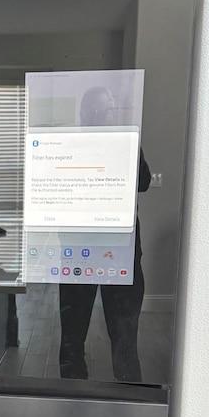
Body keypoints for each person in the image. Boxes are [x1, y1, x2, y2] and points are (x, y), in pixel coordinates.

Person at [59, 86, 150, 382]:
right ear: (84, 115)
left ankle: (129, 400)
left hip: (117, 250)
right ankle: (72, 398)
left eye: (106, 111)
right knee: (73, 336)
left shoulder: (124, 142)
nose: (102, 116)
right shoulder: (70, 145)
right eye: (97, 112)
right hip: (80, 249)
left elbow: (145, 181)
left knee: (123, 336)